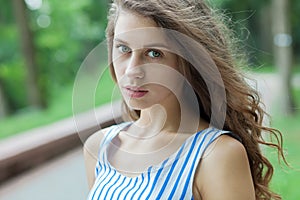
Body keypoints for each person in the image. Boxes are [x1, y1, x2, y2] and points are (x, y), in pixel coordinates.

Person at [83, 0, 286, 199]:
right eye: (123, 49)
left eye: (154, 53)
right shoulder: (100, 147)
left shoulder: (216, 155)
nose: (132, 70)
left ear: (188, 62)